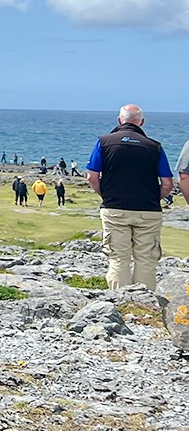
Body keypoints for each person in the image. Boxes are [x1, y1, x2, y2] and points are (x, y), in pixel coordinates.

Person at [86, 104, 175, 293]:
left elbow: (92, 177)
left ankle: (121, 303)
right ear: (141, 122)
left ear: (119, 120)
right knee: (146, 259)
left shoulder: (104, 142)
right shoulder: (154, 147)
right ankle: (146, 303)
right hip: (148, 210)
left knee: (118, 258)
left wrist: (107, 195)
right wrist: (153, 197)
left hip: (115, 208)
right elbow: (167, 183)